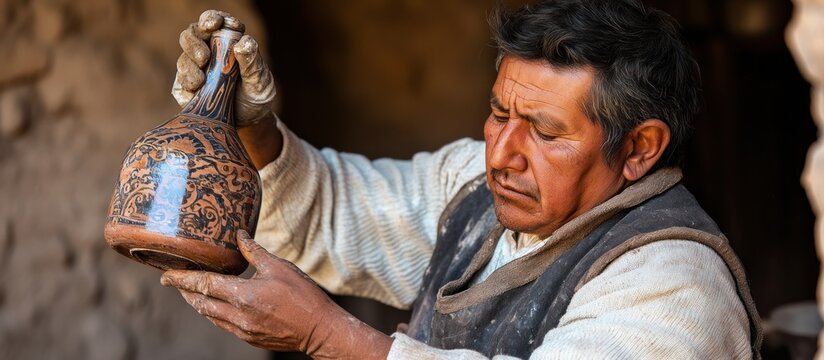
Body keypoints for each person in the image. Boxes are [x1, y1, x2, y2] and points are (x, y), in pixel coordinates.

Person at [160, 1, 763, 358]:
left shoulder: (677, 286)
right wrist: (253, 128)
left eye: (546, 133)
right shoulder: (477, 184)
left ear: (638, 149)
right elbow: (338, 213)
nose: (502, 153)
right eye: (500, 113)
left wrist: (329, 335)